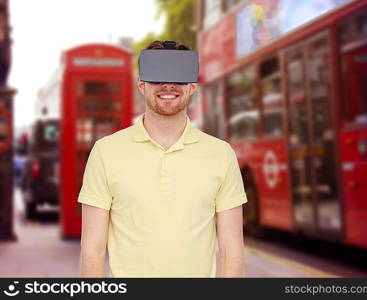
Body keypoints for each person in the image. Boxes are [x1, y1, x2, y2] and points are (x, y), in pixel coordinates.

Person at [78, 40, 248, 277]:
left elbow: (231, 250)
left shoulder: (221, 155)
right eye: (157, 76)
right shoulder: (105, 152)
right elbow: (92, 250)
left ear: (192, 87)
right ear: (141, 86)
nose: (168, 85)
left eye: (178, 77)